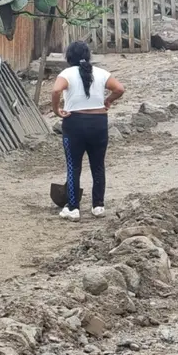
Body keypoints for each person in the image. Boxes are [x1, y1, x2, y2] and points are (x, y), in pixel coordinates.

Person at [51, 41, 125, 221]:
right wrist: (108, 101)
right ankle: (98, 205)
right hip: (99, 123)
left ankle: (73, 208)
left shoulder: (67, 73)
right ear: (88, 55)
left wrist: (56, 110)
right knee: (98, 165)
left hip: (74, 122)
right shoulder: (101, 73)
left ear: (69, 57)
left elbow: (55, 90)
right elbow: (120, 89)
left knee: (73, 166)